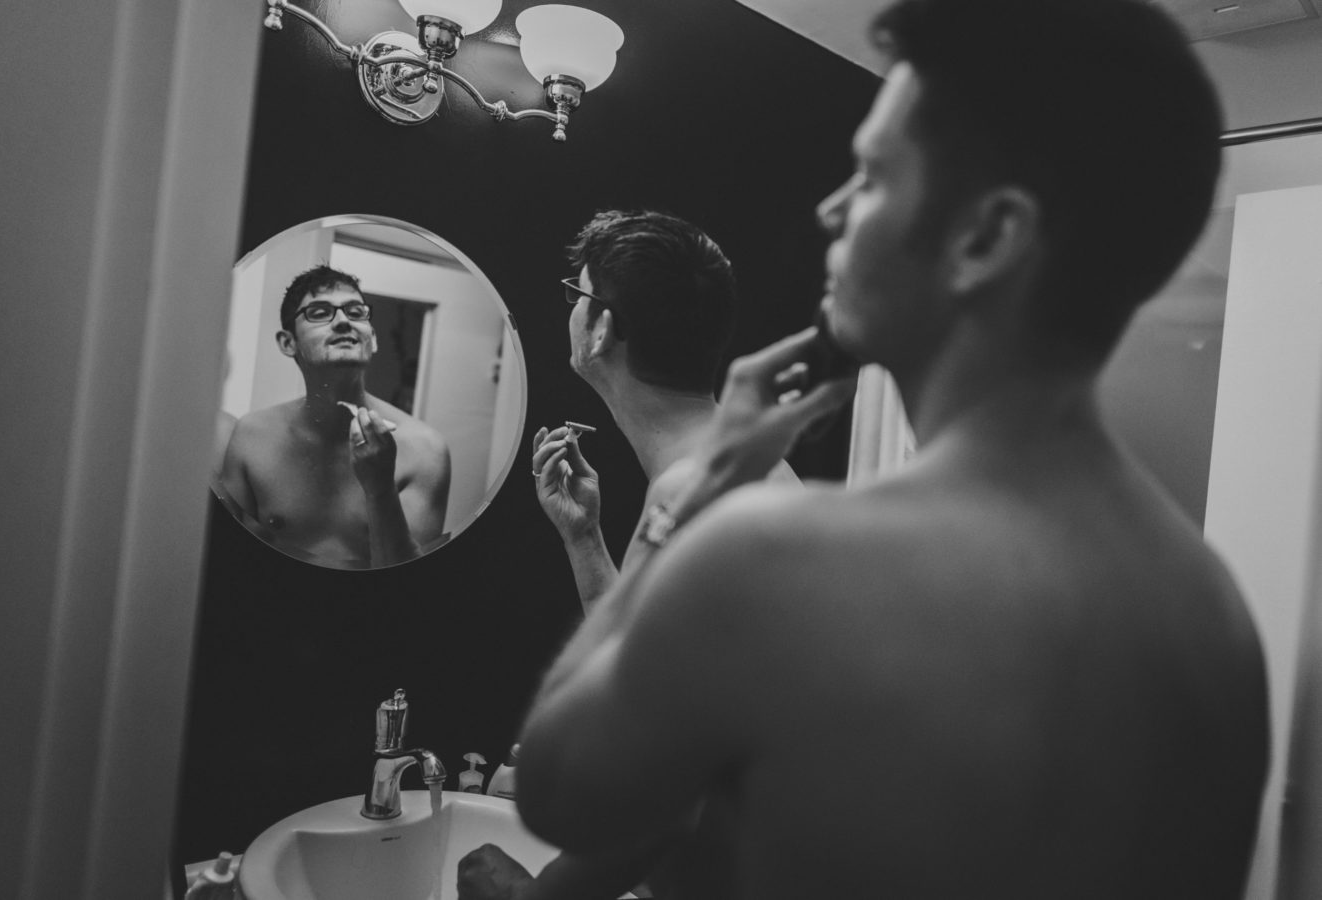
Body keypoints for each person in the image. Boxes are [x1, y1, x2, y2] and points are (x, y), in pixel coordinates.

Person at [468, 1, 1271, 898]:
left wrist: (682, 503)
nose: (832, 209)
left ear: (986, 239)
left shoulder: (783, 553)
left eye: (874, 177)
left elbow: (560, 793)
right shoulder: (1214, 615)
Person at [531, 210, 799, 615]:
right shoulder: (743, 462)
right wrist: (583, 537)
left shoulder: (686, 493)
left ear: (602, 330)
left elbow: (618, 657)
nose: (571, 309)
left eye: (579, 295)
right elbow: (630, 635)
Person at [217, 265, 450, 569]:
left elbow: (407, 583)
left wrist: (380, 487)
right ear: (288, 343)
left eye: (355, 312)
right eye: (319, 313)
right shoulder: (252, 437)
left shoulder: (425, 450)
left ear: (373, 339)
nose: (343, 321)